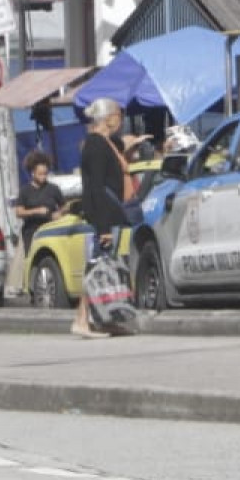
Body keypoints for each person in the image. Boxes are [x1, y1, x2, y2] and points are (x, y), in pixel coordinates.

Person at [74, 97, 142, 338]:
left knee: (108, 268)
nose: (121, 122)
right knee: (98, 268)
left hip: (111, 216)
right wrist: (102, 226)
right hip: (105, 217)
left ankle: (104, 320)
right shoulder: (95, 145)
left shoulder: (103, 143)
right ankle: (82, 320)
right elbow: (96, 188)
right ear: (109, 118)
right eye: (119, 116)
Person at [13, 151, 64, 252]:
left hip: (51, 229)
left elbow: (64, 207)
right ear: (33, 173)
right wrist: (37, 211)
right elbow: (19, 212)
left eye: (45, 174)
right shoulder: (25, 191)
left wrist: (59, 214)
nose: (43, 177)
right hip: (32, 232)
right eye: (40, 174)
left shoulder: (53, 189)